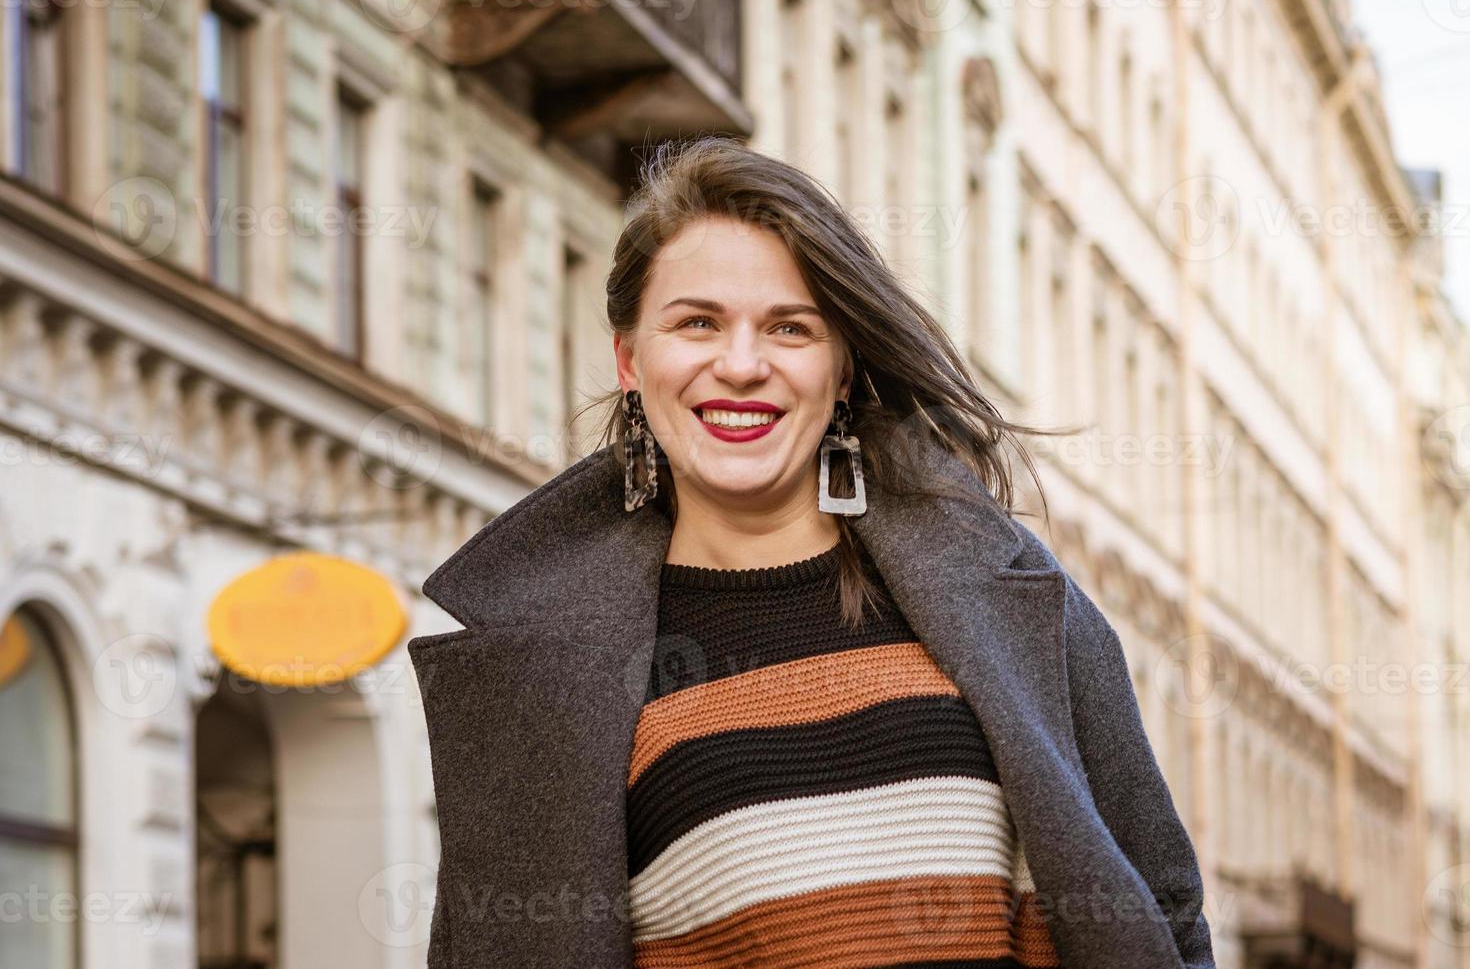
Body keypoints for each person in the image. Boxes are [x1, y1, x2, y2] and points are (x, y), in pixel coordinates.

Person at [407, 137, 1215, 968]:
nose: (743, 364)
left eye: (790, 328)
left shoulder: (1005, 587)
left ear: (839, 370)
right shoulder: (549, 669)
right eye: (697, 323)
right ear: (630, 361)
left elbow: (1163, 905)